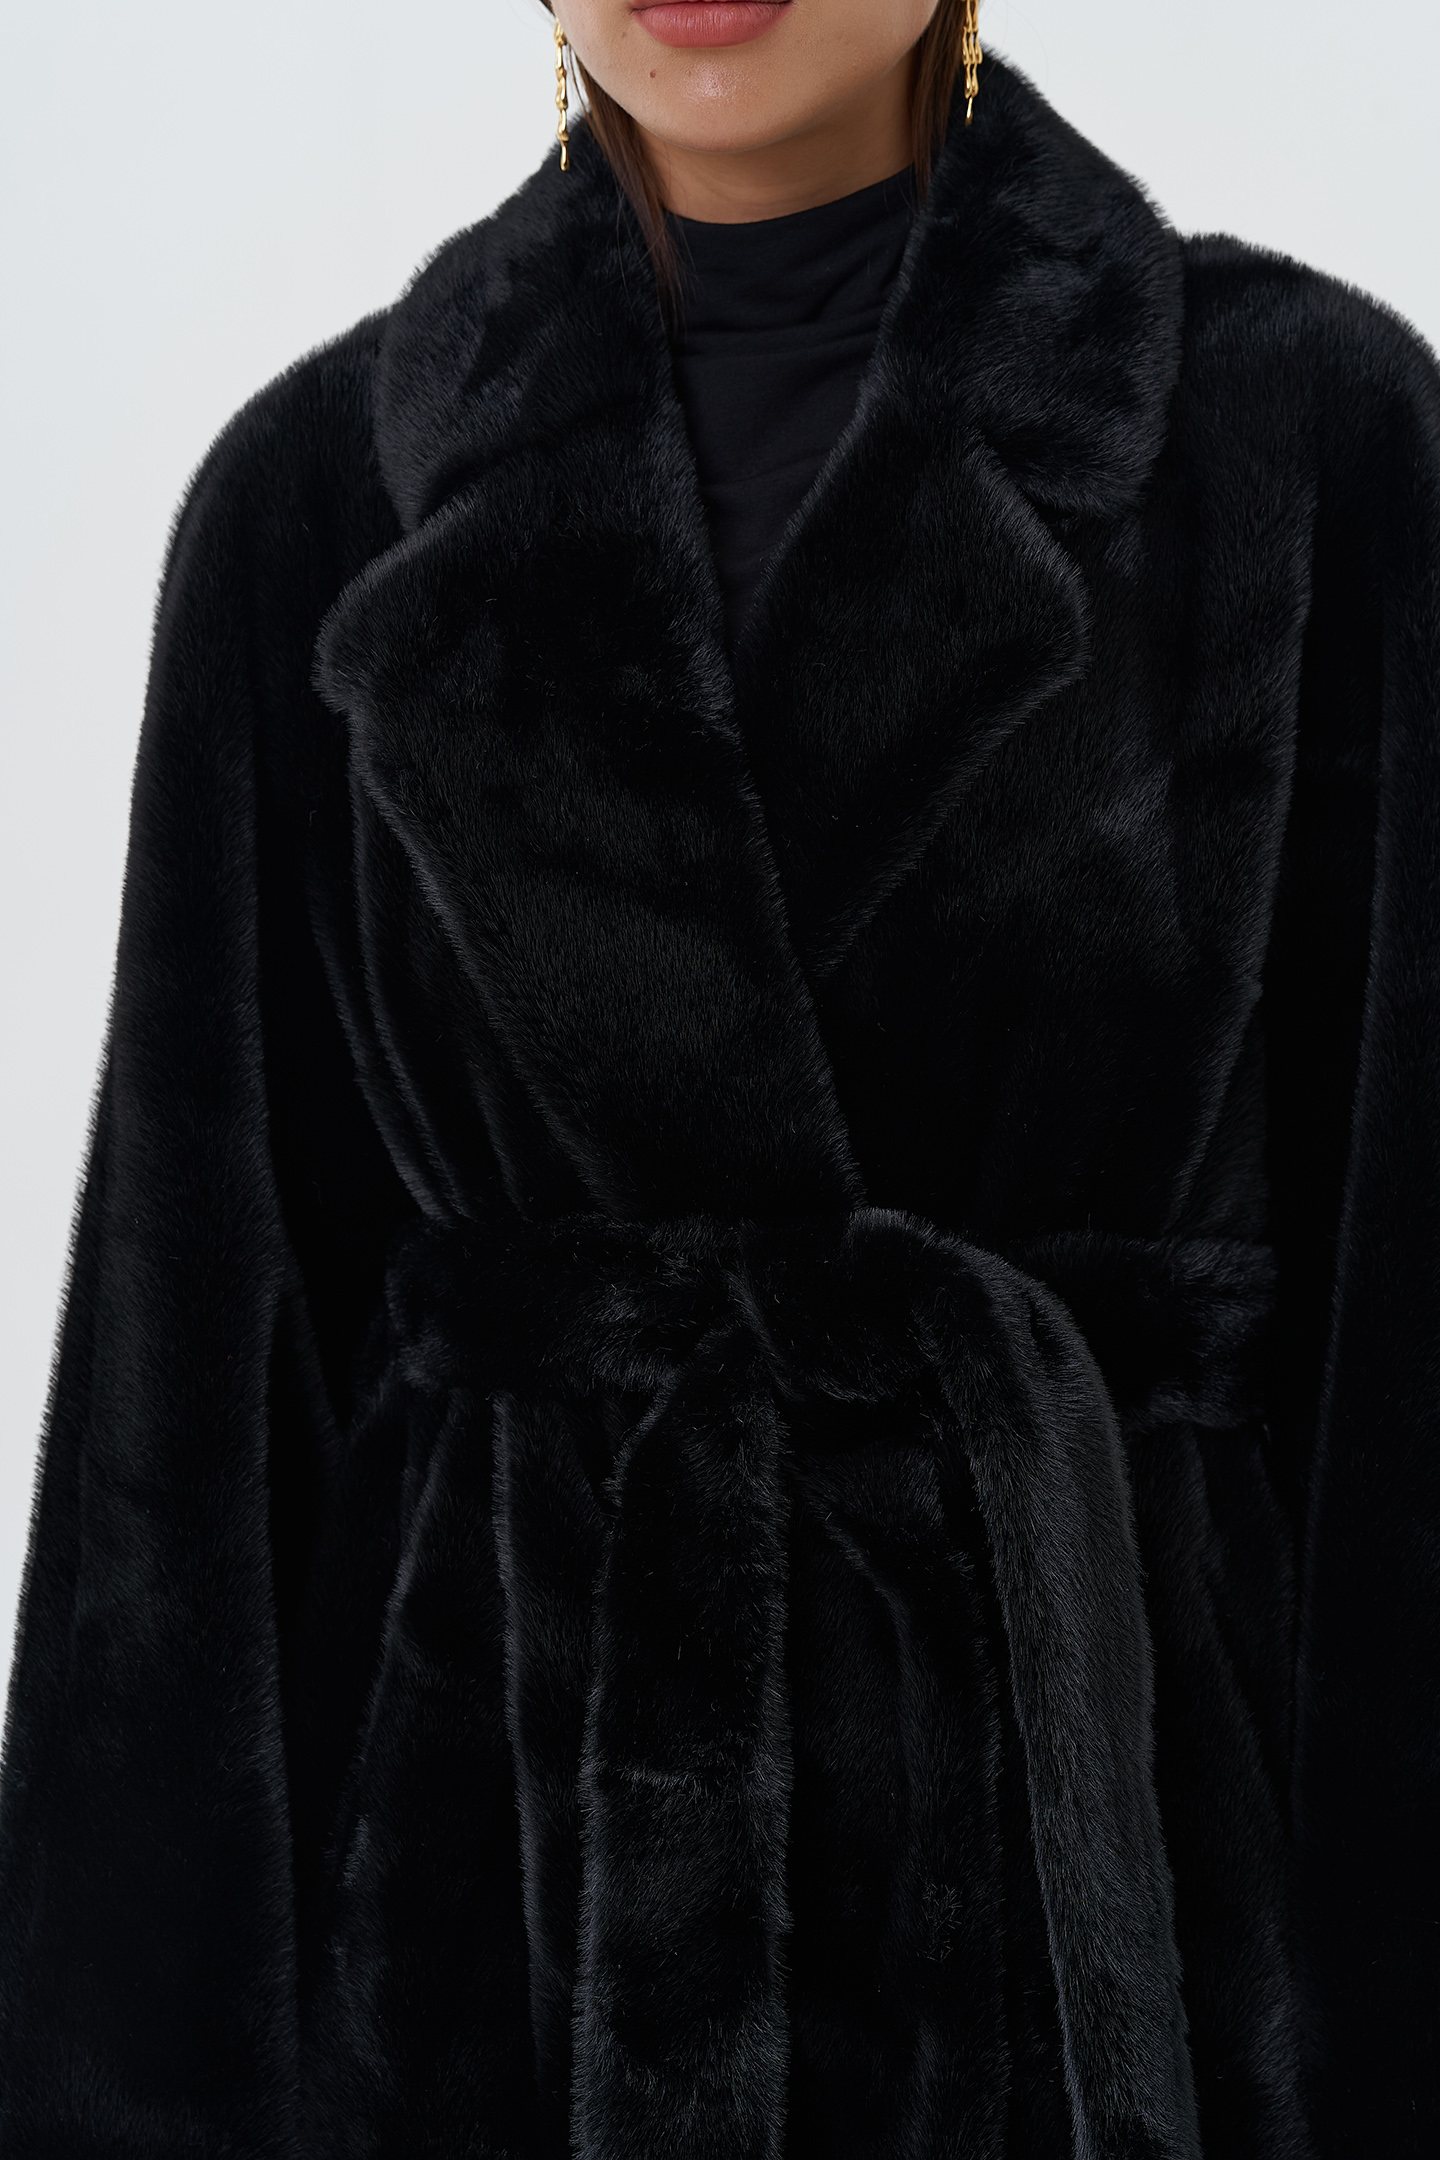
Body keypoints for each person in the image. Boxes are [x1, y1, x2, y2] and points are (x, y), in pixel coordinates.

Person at [1, 0, 1436, 2151]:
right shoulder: (310, 508)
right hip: (489, 1983)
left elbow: (1412, 1388)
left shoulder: (1309, 449)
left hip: (1121, 1972)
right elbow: (176, 1454)